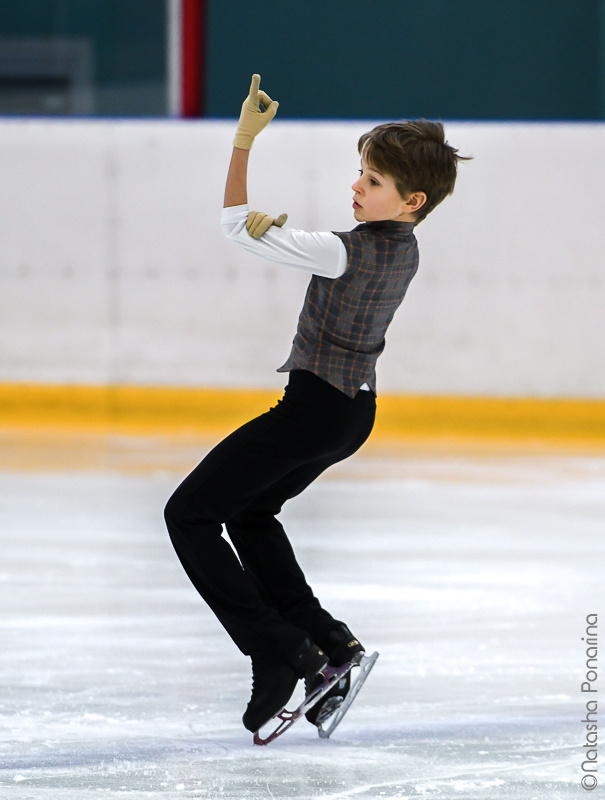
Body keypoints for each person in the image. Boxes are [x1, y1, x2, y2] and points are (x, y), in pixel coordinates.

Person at [164, 74, 469, 735]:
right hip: (351, 413)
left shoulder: (340, 250)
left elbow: (232, 229)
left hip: (313, 411)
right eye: (359, 173)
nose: (356, 187)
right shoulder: (405, 248)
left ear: (411, 199)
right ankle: (329, 645)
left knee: (188, 515)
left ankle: (275, 647)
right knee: (250, 512)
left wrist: (243, 143)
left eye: (372, 181)